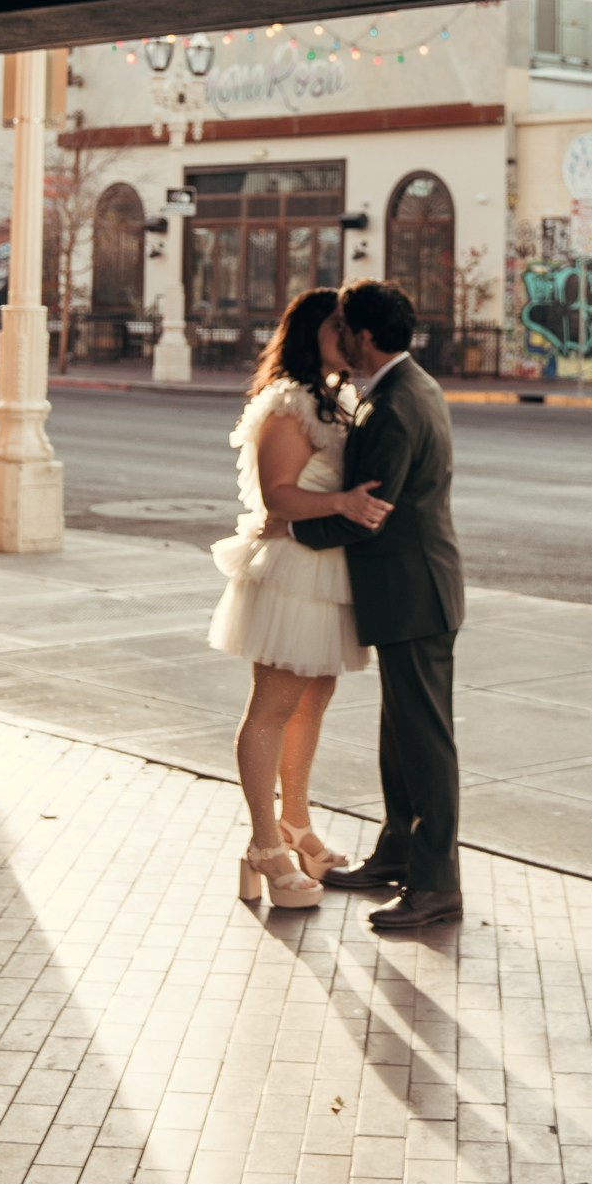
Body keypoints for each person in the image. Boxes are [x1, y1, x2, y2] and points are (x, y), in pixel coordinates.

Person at [292, 280, 467, 937]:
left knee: (425, 743)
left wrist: (293, 529)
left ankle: (436, 886)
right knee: (401, 739)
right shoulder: (408, 386)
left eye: (342, 328)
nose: (337, 338)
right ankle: (397, 856)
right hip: (409, 591)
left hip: (414, 591)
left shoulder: (394, 405)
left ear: (362, 336)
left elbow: (369, 511)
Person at [208, 287, 393, 909]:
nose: (349, 336)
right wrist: (343, 502)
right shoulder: (287, 405)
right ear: (312, 332)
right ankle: (264, 845)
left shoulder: (337, 399)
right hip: (292, 573)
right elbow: (278, 496)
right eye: (337, 327)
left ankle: (297, 825)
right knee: (273, 704)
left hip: (327, 573)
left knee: (313, 701)